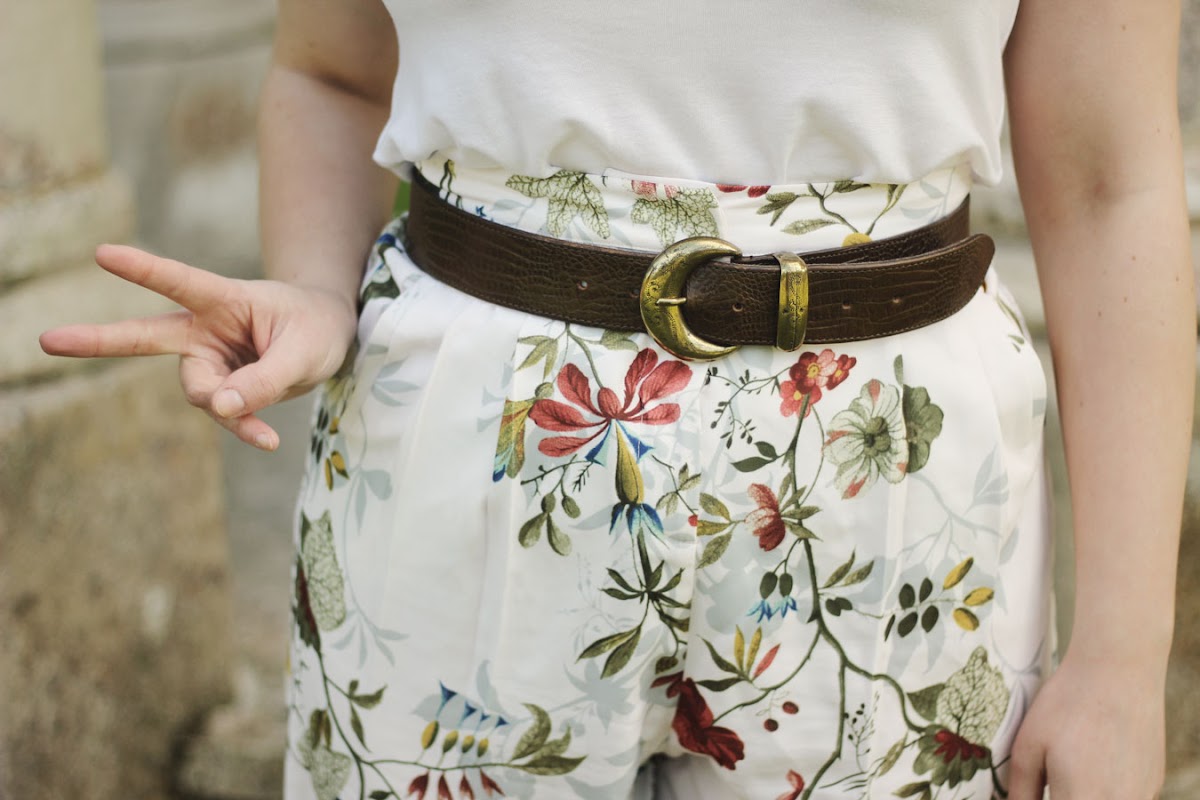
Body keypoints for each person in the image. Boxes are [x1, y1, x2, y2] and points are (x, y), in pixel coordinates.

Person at [40, 1, 1194, 798]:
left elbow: (1111, 183)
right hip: (459, 456)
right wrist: (308, 282)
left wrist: (1126, 660)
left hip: (892, 492)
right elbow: (333, 72)